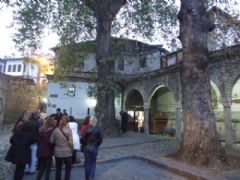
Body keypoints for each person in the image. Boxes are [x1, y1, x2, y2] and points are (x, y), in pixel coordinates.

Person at [50, 116, 73, 180]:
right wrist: (72, 149)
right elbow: (70, 142)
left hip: (58, 152)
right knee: (68, 169)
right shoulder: (69, 130)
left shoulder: (56, 130)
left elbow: (51, 141)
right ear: (67, 122)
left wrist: (57, 142)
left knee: (58, 168)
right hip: (67, 152)